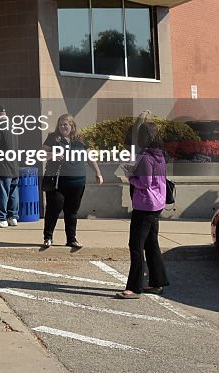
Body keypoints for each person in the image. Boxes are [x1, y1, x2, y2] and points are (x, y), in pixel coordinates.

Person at [117, 122, 169, 299]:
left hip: (144, 205)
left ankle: (134, 287)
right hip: (157, 204)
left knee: (136, 246)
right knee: (151, 244)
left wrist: (130, 177)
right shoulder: (160, 156)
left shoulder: (146, 157)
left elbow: (145, 183)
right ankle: (157, 282)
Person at [41, 114, 103, 251]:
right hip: (57, 181)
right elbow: (40, 154)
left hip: (77, 181)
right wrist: (53, 155)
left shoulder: (79, 140)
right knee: (54, 209)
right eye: (61, 124)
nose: (63, 127)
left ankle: (71, 239)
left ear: (72, 126)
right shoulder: (53, 138)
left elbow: (90, 157)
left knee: (72, 211)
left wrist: (98, 173)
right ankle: (48, 237)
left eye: (66, 124)